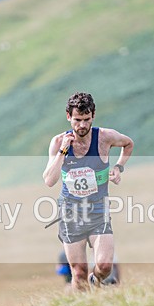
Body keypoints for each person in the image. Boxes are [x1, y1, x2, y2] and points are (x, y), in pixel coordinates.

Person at [43, 91, 134, 291]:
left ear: (93, 115)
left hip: (98, 210)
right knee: (79, 272)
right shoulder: (58, 142)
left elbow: (128, 144)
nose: (82, 125)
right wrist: (63, 151)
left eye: (86, 119)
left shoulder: (105, 137)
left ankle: (96, 283)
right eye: (77, 120)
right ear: (68, 116)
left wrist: (118, 167)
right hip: (71, 213)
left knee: (104, 266)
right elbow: (49, 180)